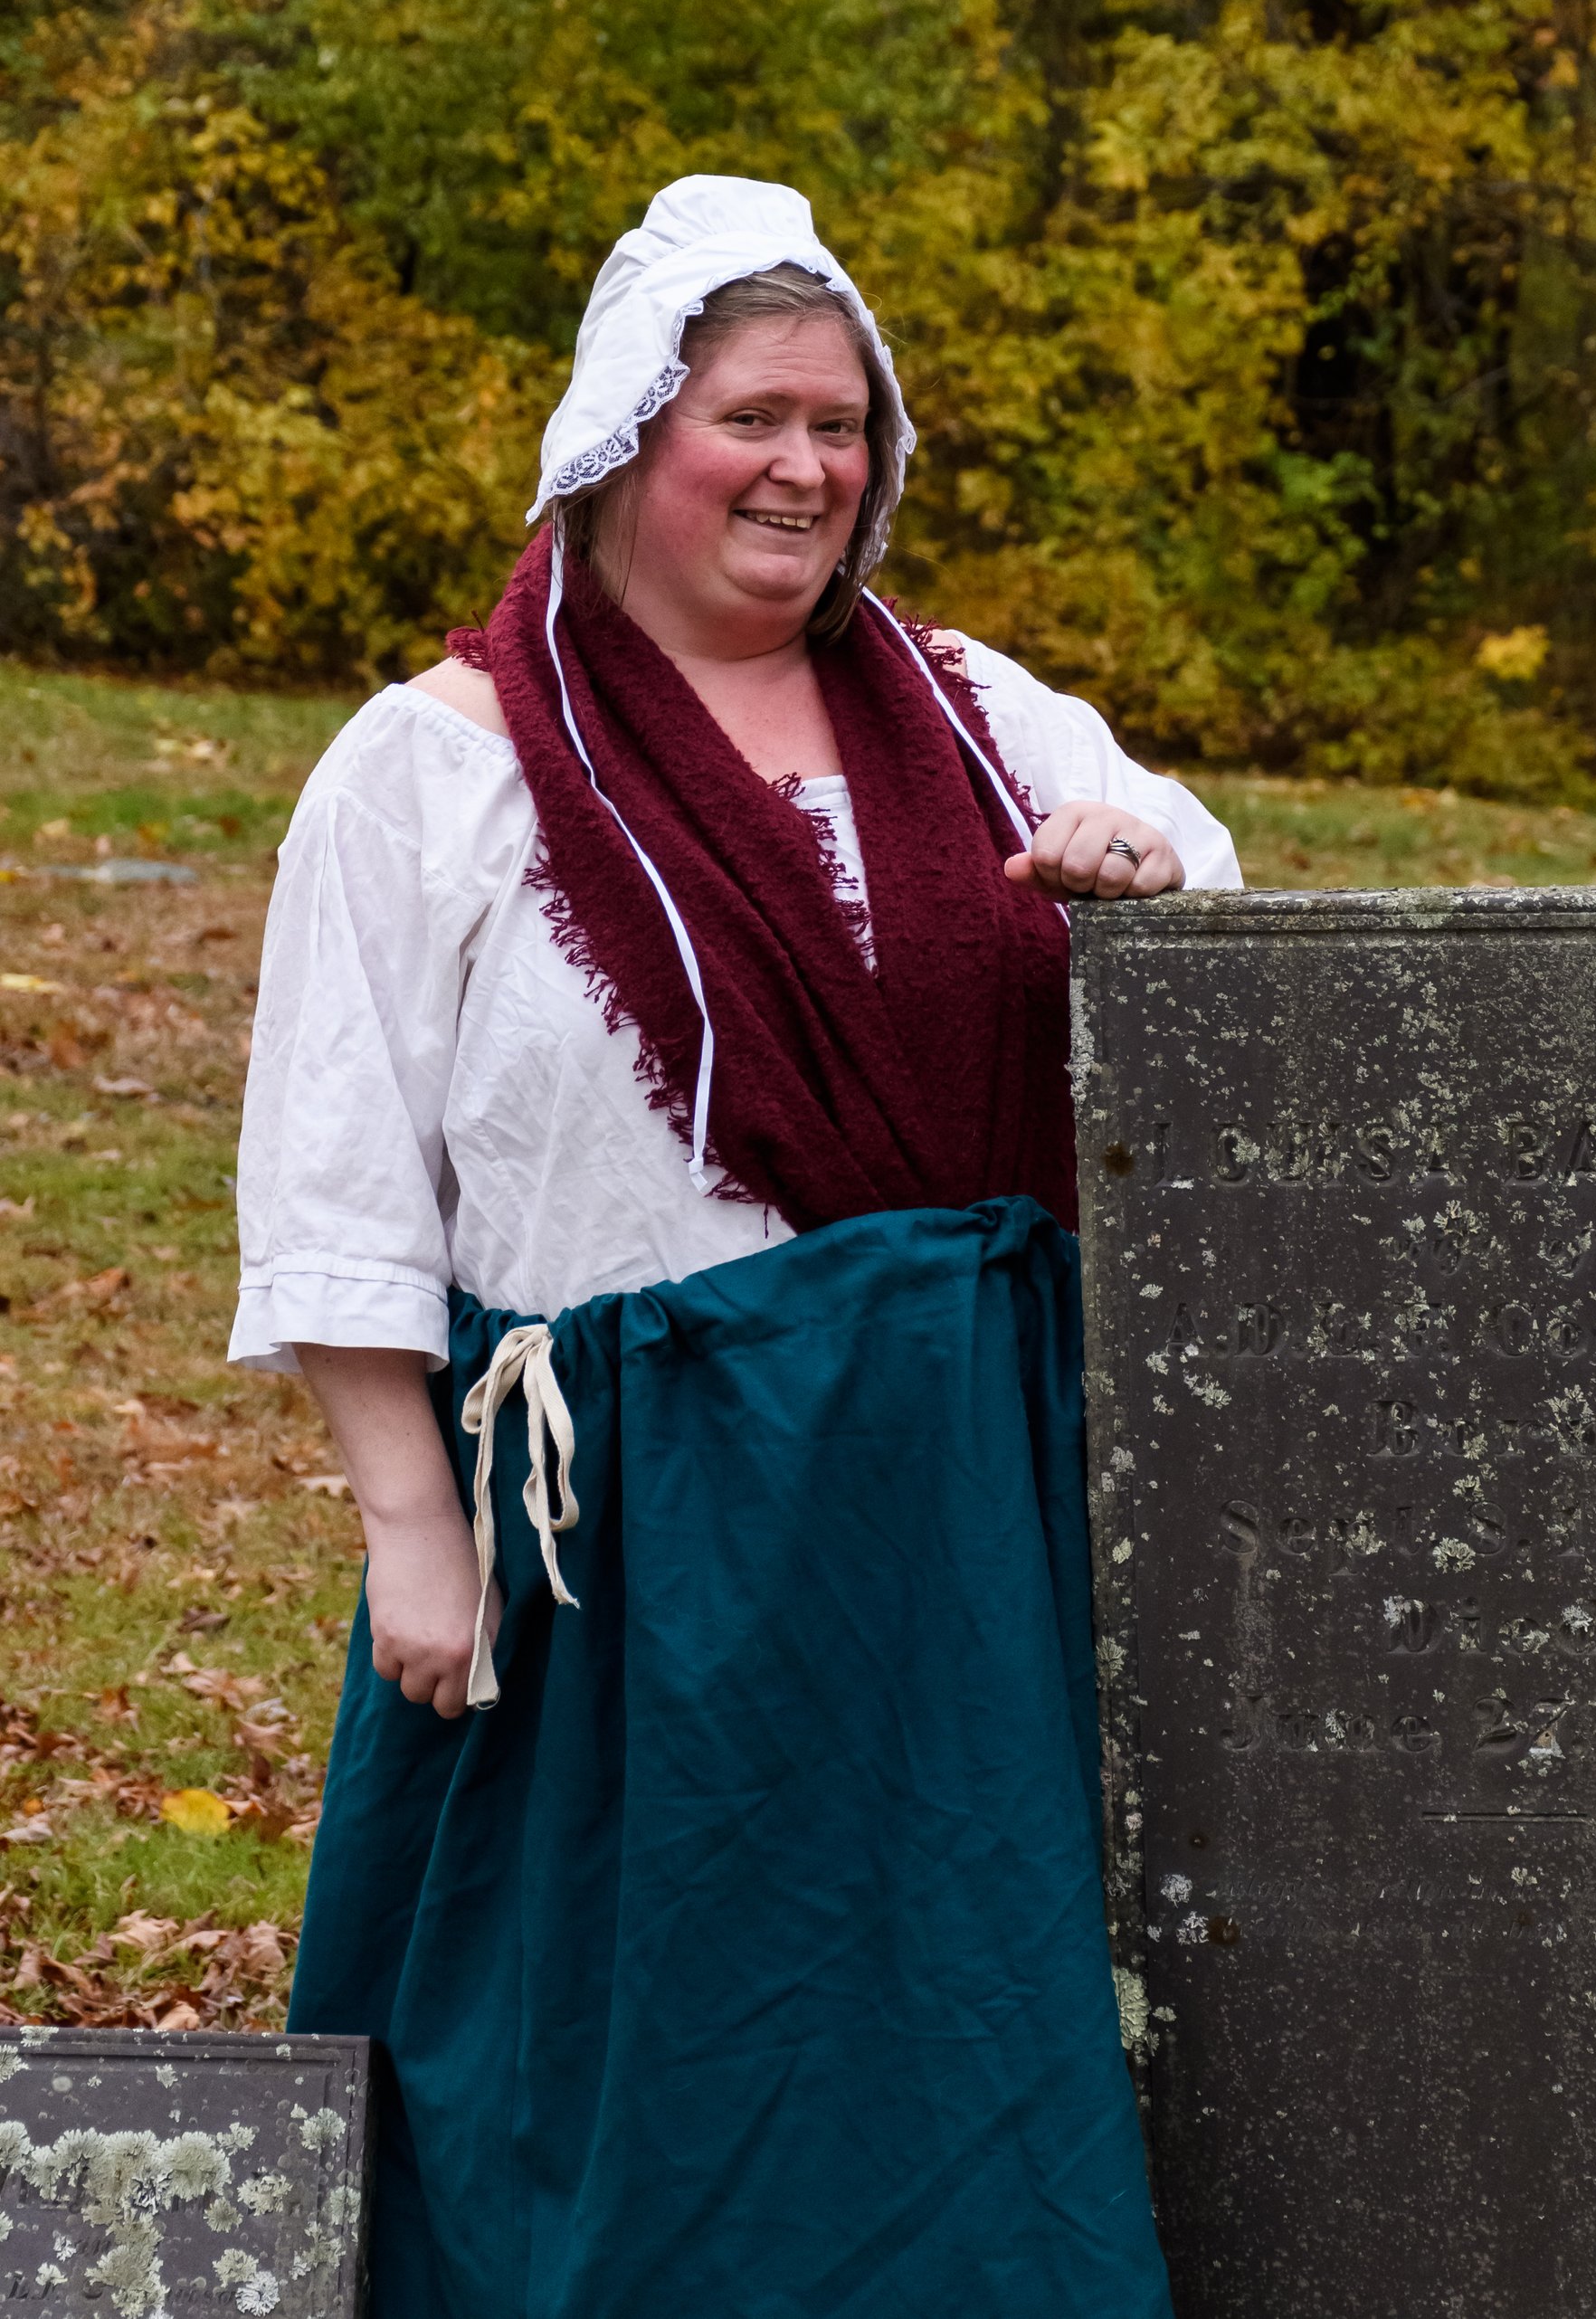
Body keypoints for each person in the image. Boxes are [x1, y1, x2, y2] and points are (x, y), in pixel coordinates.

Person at [231, 176, 1237, 2317]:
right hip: (620, 1535)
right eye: (753, 419)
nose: (804, 469)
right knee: (615, 2065)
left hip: (954, 1508)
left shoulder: (972, 716)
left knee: (946, 2039)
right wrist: (412, 1517)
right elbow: (336, 1174)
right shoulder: (442, 768)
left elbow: (1205, 892)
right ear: (621, 441)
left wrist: (1129, 865)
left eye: (842, 426)